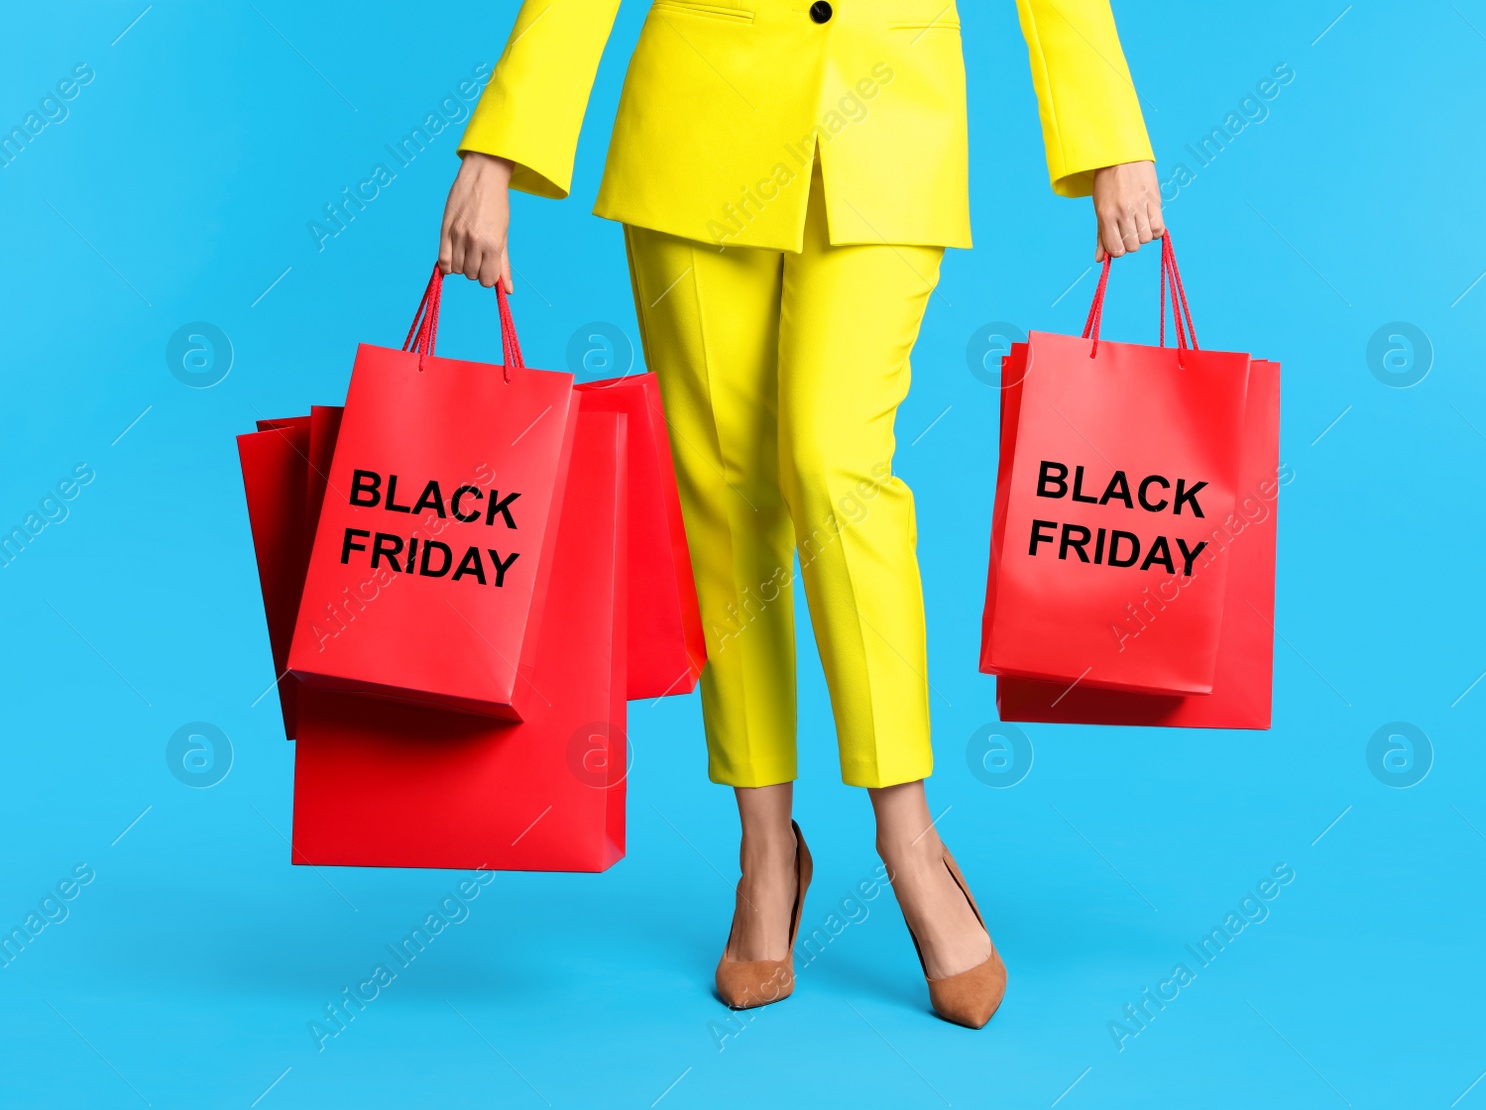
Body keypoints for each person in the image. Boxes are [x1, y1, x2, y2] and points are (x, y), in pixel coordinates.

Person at [439, 0, 1163, 1029]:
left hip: (888, 121)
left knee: (834, 459)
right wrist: (500, 147)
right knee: (722, 486)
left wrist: (1108, 140)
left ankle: (910, 840)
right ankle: (764, 846)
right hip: (696, 124)